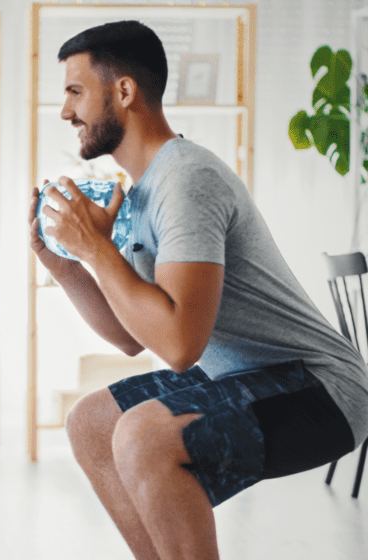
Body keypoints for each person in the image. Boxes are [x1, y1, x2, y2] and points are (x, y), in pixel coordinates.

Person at [29, 20, 368, 560]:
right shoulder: (142, 191)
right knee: (92, 424)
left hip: (321, 390)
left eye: (75, 92)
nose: (66, 112)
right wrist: (67, 265)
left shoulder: (186, 179)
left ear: (123, 91)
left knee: (143, 435)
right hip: (249, 376)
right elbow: (131, 337)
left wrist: (97, 249)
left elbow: (181, 345)